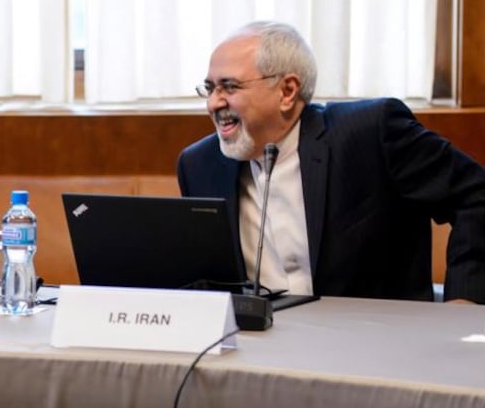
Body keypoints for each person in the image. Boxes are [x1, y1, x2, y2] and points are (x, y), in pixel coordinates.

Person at [178, 21, 485, 303]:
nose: (213, 103)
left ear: (287, 91)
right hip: (258, 349)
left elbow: (475, 195)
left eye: (229, 87)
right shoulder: (199, 165)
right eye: (209, 88)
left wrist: (463, 302)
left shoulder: (370, 133)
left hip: (377, 343)